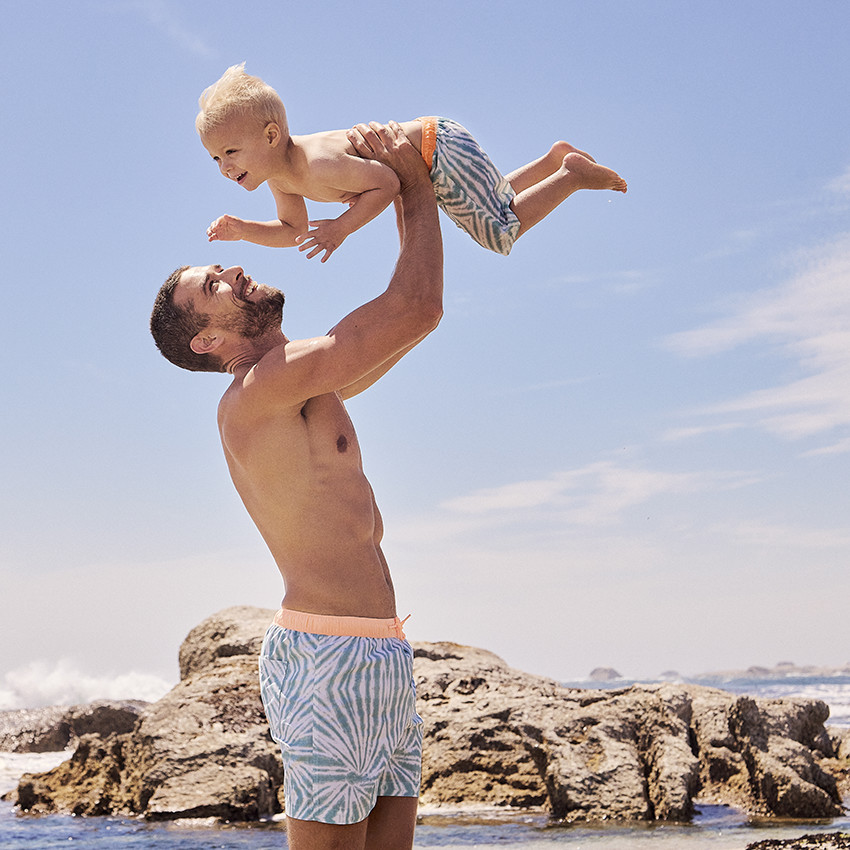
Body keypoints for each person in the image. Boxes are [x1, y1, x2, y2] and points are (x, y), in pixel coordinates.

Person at [150, 122, 443, 849]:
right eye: (212, 287)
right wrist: (412, 182)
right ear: (208, 341)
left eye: (220, 268)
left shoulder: (309, 388)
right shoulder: (257, 394)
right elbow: (415, 308)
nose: (234, 271)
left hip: (382, 651)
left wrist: (396, 189)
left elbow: (411, 323)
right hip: (326, 661)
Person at [196, 62, 627, 262]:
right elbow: (295, 232)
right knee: (497, 203)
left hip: (435, 149)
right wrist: (243, 230)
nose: (223, 167)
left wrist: (343, 228)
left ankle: (570, 175)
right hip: (435, 143)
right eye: (215, 158)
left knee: (499, 232)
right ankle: (553, 161)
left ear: (271, 135)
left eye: (230, 152)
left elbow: (385, 183)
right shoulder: (282, 178)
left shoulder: (316, 164)